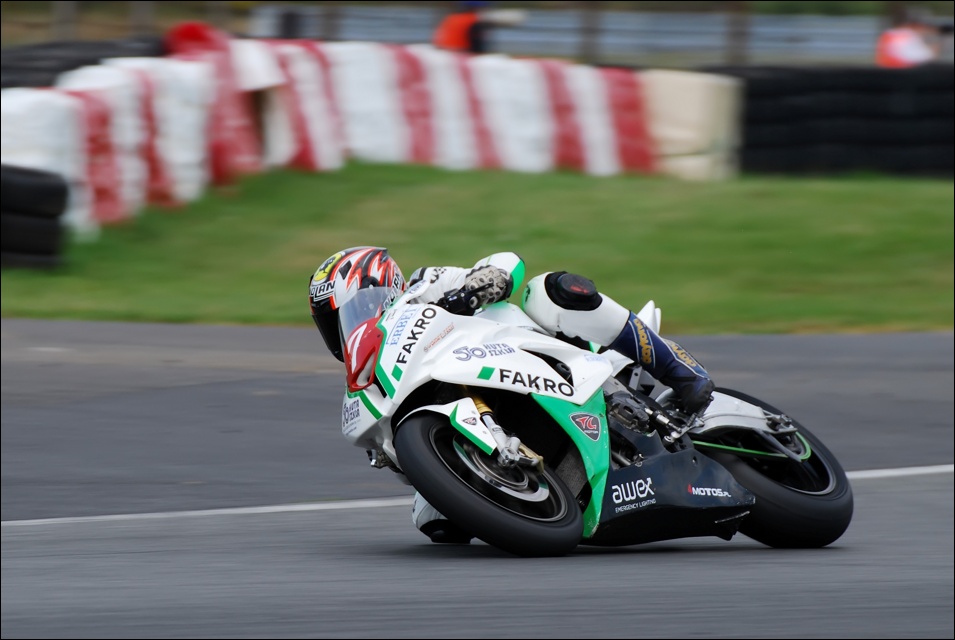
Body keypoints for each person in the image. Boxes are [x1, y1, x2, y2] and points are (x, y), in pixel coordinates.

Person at [308, 247, 715, 544]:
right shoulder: (368, 378)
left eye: (351, 307)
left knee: (552, 290)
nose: (343, 326)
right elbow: (403, 458)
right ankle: (532, 488)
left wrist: (477, 287)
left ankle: (683, 372)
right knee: (436, 524)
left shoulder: (424, 285)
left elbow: (506, 262)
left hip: (532, 352)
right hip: (469, 409)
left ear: (381, 284)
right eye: (333, 321)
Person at [875, 15, 943, 68]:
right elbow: (924, 57)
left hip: (885, 70)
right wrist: (934, 49)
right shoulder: (908, 35)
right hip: (902, 71)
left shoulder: (887, 34)